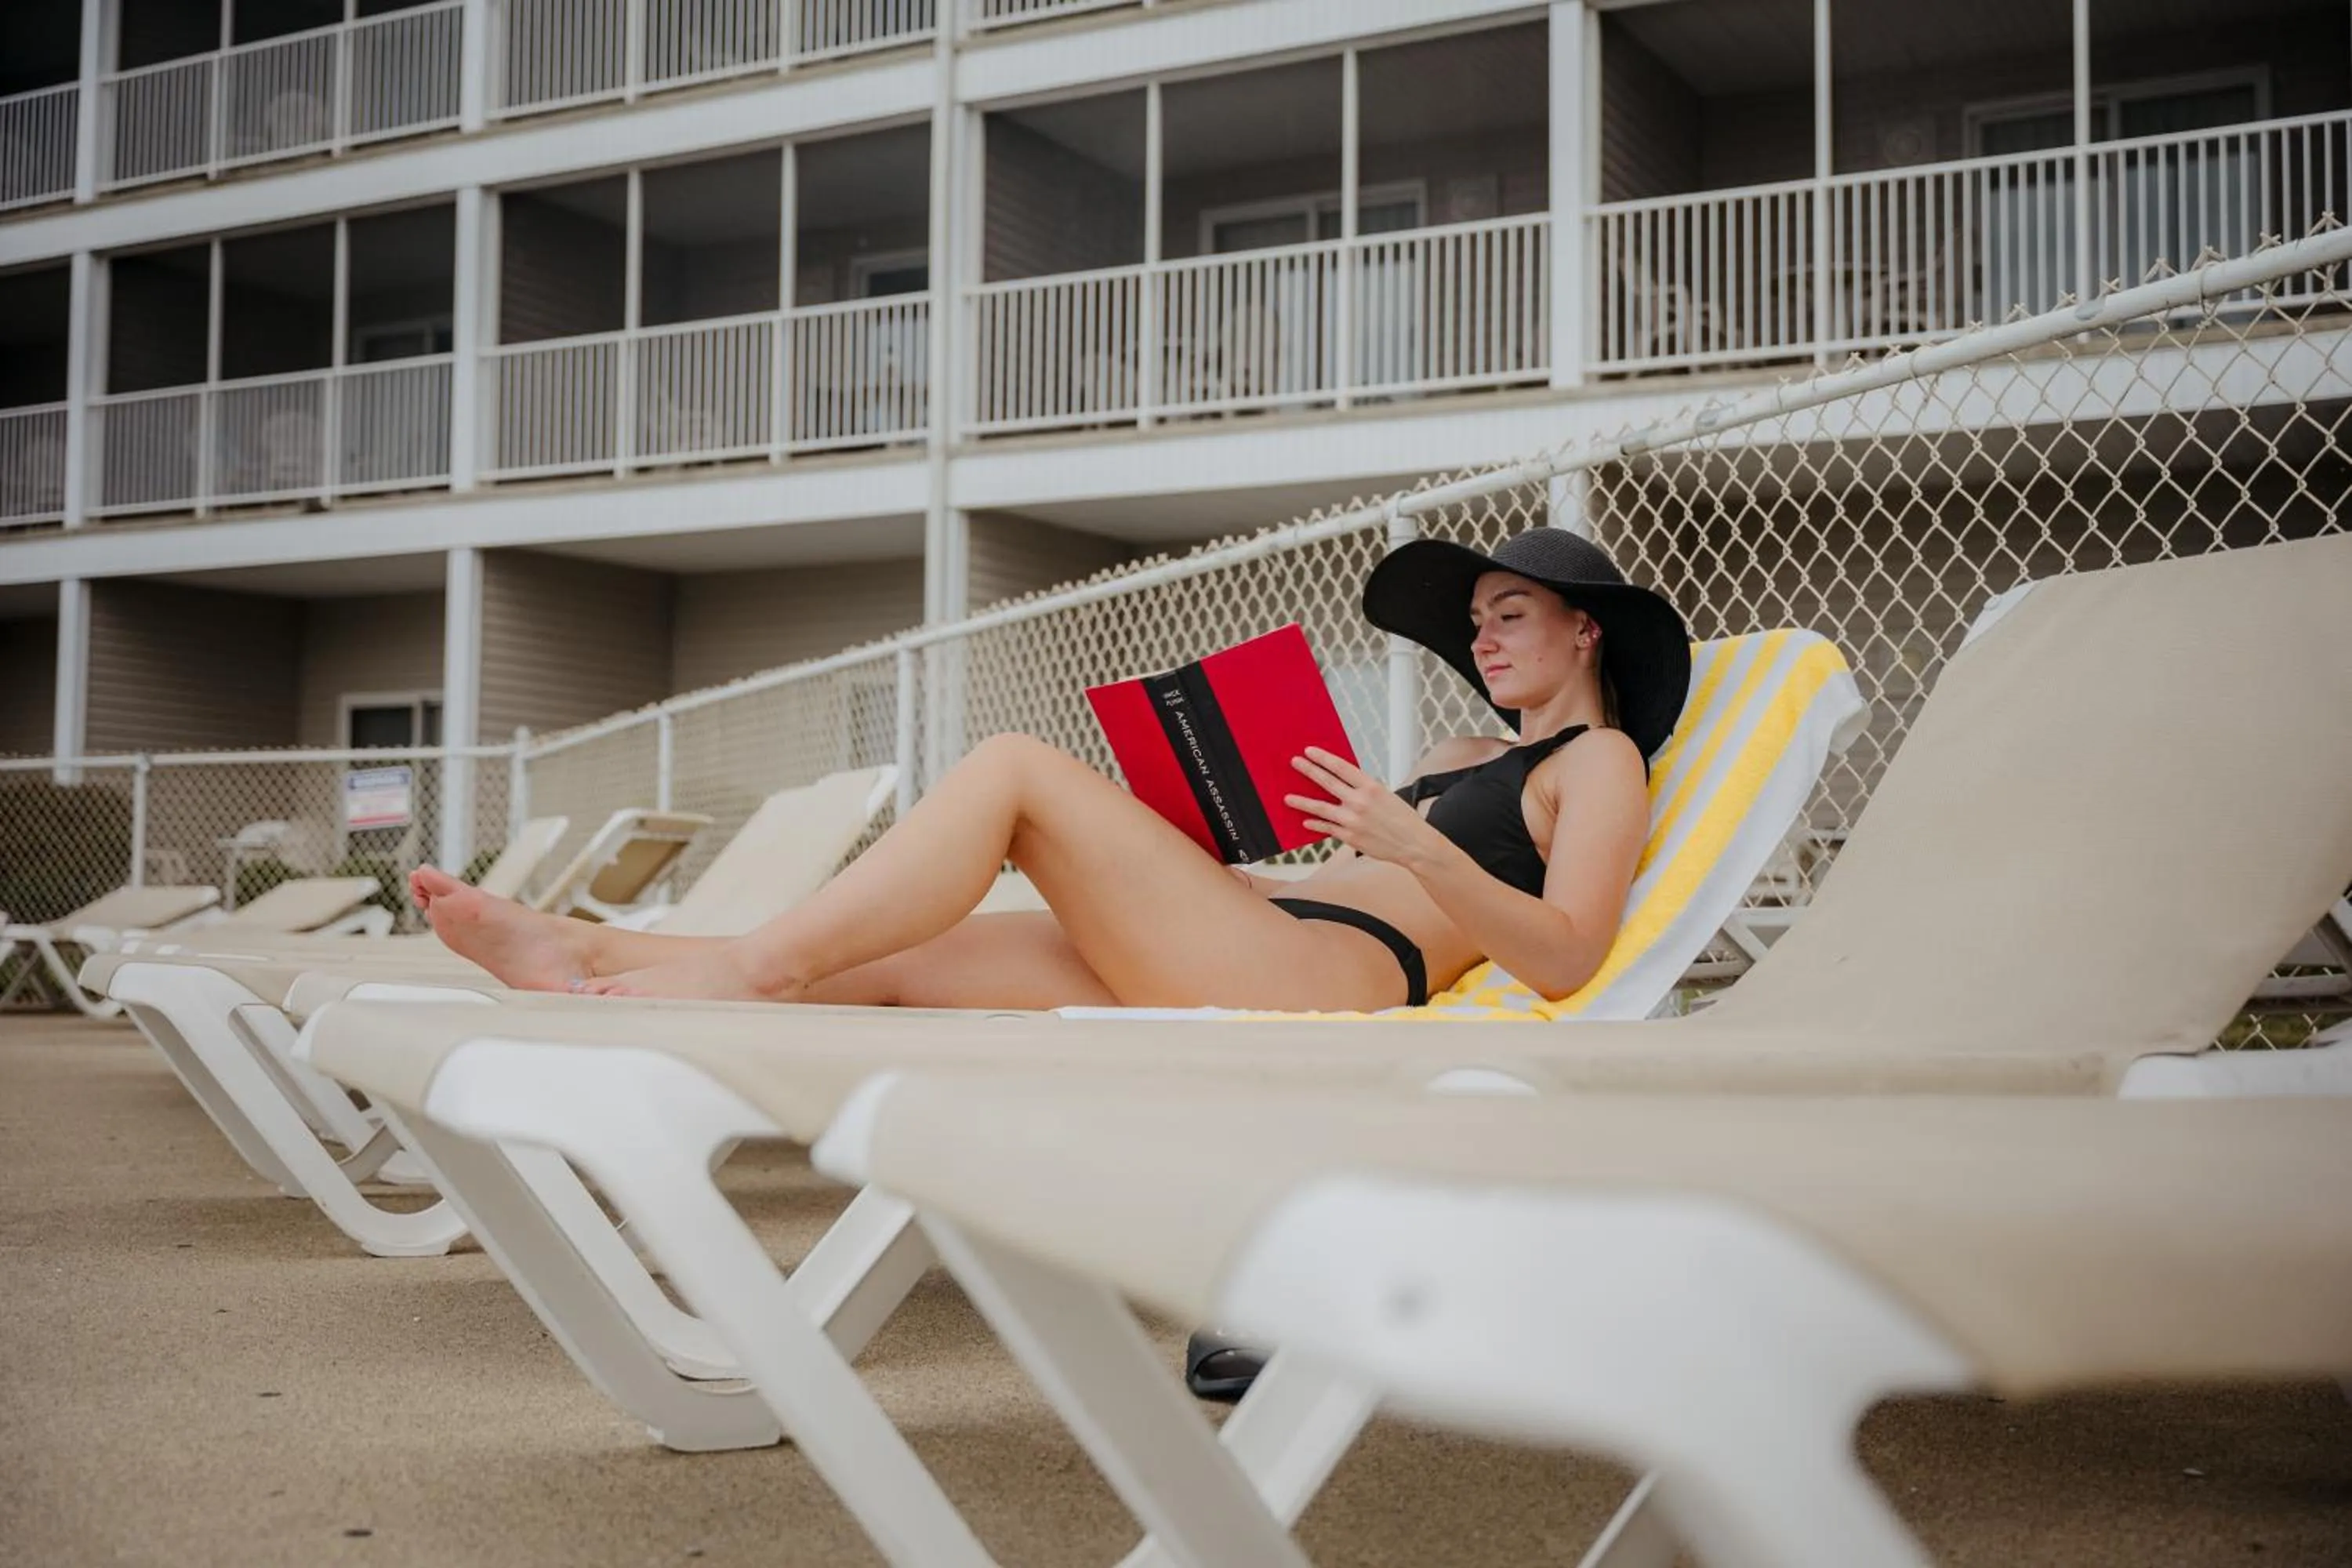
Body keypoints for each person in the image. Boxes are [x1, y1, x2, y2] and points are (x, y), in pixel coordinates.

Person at [411, 527, 1692, 1014]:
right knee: (892, 964)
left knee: (1017, 771)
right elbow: (1367, 864)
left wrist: (1409, 845)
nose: (1482, 633)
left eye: (1509, 611)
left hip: (1320, 980)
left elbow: (1570, 954)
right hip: (1258, 921)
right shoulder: (1465, 750)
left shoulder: (1603, 760)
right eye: (1476, 619)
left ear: (1587, 629)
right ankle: (577, 955)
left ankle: (739, 972)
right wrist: (1228, 842)